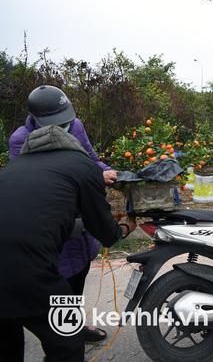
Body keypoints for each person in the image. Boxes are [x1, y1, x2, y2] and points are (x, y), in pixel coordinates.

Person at [0, 125, 137, 362]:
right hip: (31, 271)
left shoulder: (12, 168)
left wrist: (84, 223)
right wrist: (125, 227)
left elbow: (34, 218)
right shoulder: (83, 166)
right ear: (74, 145)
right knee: (68, 344)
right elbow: (107, 234)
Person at [8, 85, 117, 342]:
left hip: (80, 217)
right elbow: (31, 184)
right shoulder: (21, 139)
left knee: (79, 274)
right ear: (36, 119)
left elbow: (90, 158)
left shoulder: (75, 126)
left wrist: (107, 172)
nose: (65, 124)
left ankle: (72, 327)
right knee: (60, 279)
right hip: (52, 219)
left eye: (67, 118)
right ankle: (61, 337)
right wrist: (89, 177)